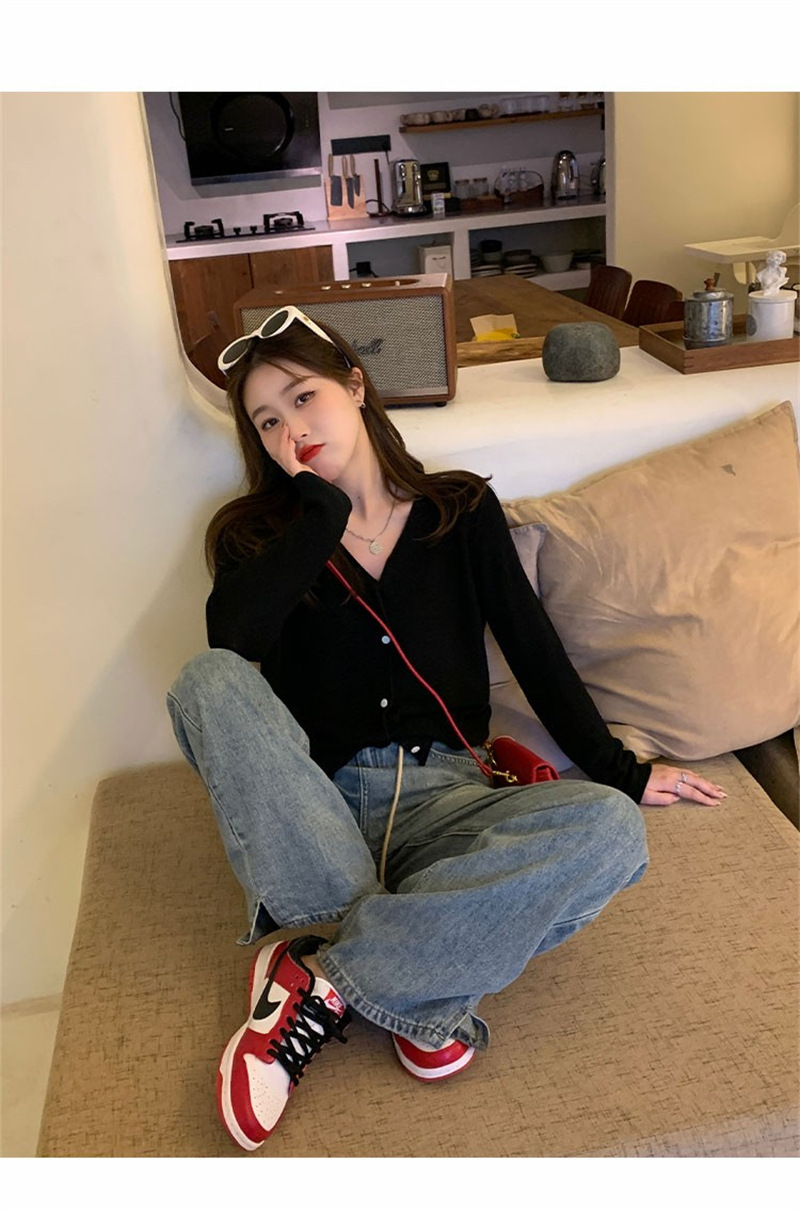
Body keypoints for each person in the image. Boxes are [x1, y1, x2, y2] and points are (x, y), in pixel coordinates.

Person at [167, 305, 726, 1152]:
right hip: (319, 813)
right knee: (206, 682)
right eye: (267, 421)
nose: (293, 430)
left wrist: (623, 770)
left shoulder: (459, 510)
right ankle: (425, 989)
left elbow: (534, 648)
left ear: (356, 386)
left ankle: (322, 974)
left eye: (304, 397)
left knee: (611, 831)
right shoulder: (256, 537)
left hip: (452, 804)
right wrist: (318, 510)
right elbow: (231, 641)